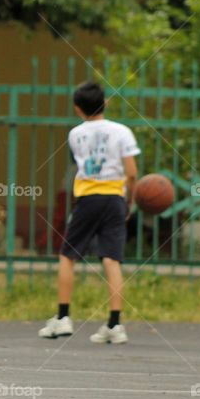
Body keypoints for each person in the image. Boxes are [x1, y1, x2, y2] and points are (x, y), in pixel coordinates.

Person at [39, 82, 139, 344]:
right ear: (105, 103)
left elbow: (78, 163)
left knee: (68, 254)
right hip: (115, 197)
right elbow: (131, 172)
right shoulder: (122, 132)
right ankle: (115, 324)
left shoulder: (75, 134)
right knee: (111, 258)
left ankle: (63, 318)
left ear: (77, 108)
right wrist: (131, 200)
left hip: (87, 197)